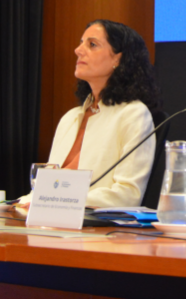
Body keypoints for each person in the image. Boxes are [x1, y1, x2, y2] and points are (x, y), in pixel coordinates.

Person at [20, 20, 159, 207]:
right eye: (81, 42)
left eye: (92, 44)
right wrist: (18, 203)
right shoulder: (70, 118)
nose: (78, 50)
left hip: (100, 232)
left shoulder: (133, 114)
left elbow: (128, 195)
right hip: (53, 222)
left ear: (118, 58)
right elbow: (45, 189)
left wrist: (59, 200)